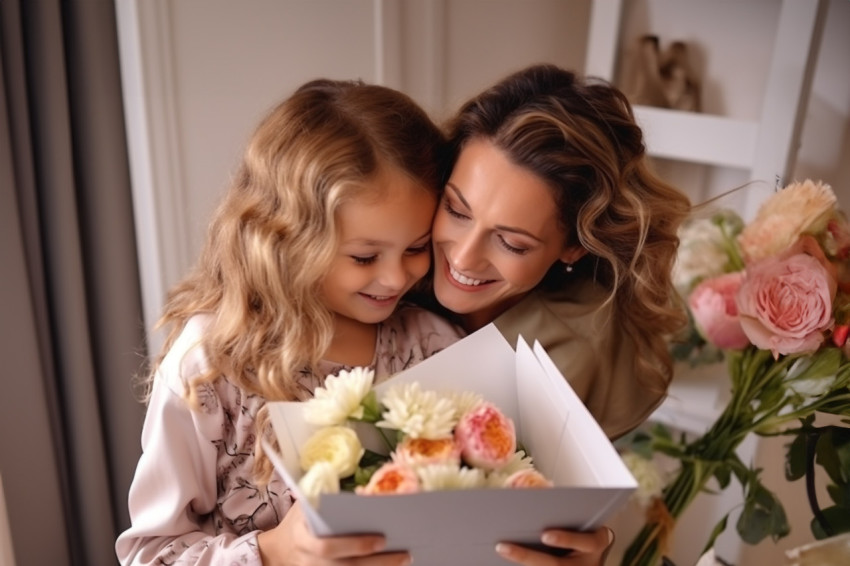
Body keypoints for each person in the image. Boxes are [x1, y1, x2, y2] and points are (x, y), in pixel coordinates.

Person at [115, 78, 463, 566]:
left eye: (415, 248)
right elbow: (150, 554)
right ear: (286, 240)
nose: (394, 277)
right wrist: (276, 550)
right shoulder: (212, 365)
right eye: (364, 257)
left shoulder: (434, 345)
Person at [424, 63, 692, 564]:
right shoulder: (377, 270)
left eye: (511, 242)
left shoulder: (580, 350)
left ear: (571, 246)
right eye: (457, 211)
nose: (461, 258)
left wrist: (590, 553)